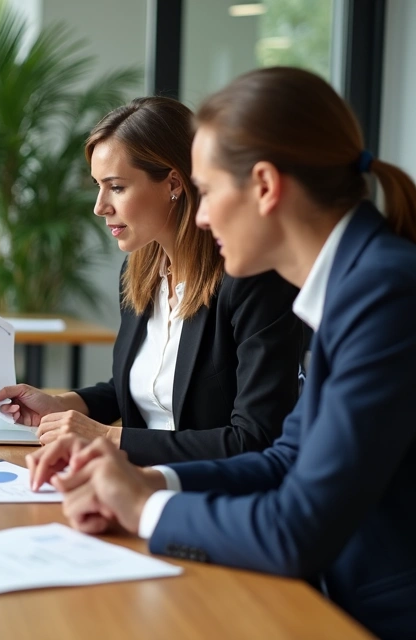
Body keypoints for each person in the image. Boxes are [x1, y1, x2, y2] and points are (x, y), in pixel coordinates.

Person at [27, 67, 416, 639]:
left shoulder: (384, 293)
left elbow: (296, 528)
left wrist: (141, 509)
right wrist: (147, 484)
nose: (201, 217)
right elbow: (286, 459)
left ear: (264, 186)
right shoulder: (356, 283)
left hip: (371, 614)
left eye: (206, 192)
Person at [0, 97, 306, 466]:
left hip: (212, 495)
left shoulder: (252, 281)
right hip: (134, 484)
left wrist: (107, 437)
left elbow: (255, 439)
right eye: (97, 186)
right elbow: (138, 390)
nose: (99, 206)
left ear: (173, 183)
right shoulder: (139, 273)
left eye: (117, 187)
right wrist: (60, 406)